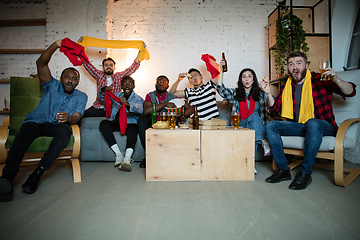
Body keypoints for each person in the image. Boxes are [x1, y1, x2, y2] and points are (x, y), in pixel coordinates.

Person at [0, 39, 88, 202]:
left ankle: (38, 173)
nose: (69, 80)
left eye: (73, 78)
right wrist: (56, 44)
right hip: (36, 122)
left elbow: (77, 117)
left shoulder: (81, 96)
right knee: (24, 132)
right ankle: (7, 179)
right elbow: (40, 63)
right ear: (60, 79)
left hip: (57, 127)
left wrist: (69, 118)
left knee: (65, 131)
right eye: (66, 77)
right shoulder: (51, 85)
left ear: (78, 82)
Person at [265, 51, 356, 190]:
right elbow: (275, 109)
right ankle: (283, 170)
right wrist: (267, 93)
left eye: (299, 63)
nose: (295, 67)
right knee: (271, 125)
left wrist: (336, 79)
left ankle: (305, 172)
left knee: (312, 122)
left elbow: (350, 91)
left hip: (322, 126)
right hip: (299, 126)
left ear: (306, 65)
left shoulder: (321, 79)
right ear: (288, 68)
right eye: (291, 64)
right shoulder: (286, 86)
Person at [217, 63, 271, 159]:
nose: (246, 79)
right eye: (244, 77)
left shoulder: (261, 94)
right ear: (241, 80)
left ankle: (250, 165)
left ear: (253, 79)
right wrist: (221, 70)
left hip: (256, 126)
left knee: (252, 129)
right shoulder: (235, 93)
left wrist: (269, 93)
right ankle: (264, 142)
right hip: (241, 124)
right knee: (253, 116)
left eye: (249, 76)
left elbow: (272, 105)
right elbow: (220, 89)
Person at [81, 38, 146, 118]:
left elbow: (133, 67)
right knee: (84, 114)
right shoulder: (99, 75)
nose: (108, 67)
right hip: (100, 107)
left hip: (114, 108)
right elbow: (87, 64)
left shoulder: (119, 76)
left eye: (111, 65)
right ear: (103, 68)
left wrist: (140, 51)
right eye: (106, 65)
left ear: (114, 68)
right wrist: (81, 45)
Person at [137, 75, 192, 168]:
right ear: (155, 84)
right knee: (141, 120)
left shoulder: (172, 97)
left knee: (177, 119)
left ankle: (169, 156)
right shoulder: (150, 95)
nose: (160, 84)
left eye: (163, 83)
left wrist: (182, 114)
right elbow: (146, 111)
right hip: (153, 122)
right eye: (158, 82)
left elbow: (190, 108)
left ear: (167, 86)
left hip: (167, 123)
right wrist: (165, 104)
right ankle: (148, 155)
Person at [98, 76, 144, 172]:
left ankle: (127, 158)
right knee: (104, 124)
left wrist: (127, 104)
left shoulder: (138, 98)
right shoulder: (116, 95)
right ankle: (118, 154)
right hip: (116, 122)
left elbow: (141, 109)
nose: (127, 86)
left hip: (129, 123)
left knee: (133, 131)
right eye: (124, 83)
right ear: (121, 85)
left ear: (134, 86)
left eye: (129, 84)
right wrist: (103, 90)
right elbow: (103, 98)